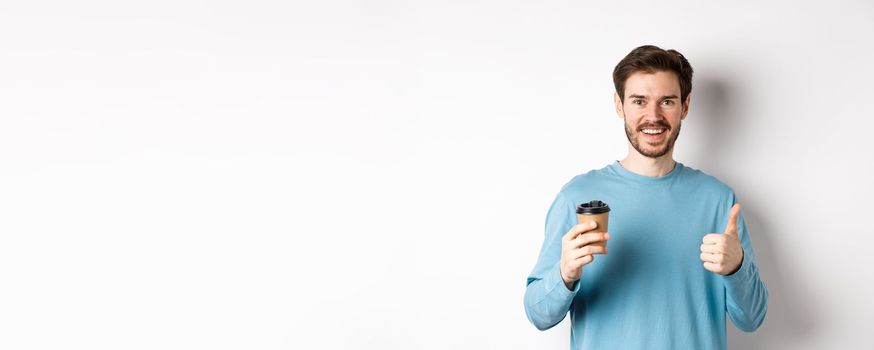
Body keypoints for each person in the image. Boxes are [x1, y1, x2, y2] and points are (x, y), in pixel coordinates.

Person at [523, 45, 768, 350]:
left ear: (686, 106)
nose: (653, 116)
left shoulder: (718, 199)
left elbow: (752, 318)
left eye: (667, 101)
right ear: (619, 104)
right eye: (639, 101)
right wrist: (565, 273)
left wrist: (737, 267)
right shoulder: (578, 197)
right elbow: (538, 314)